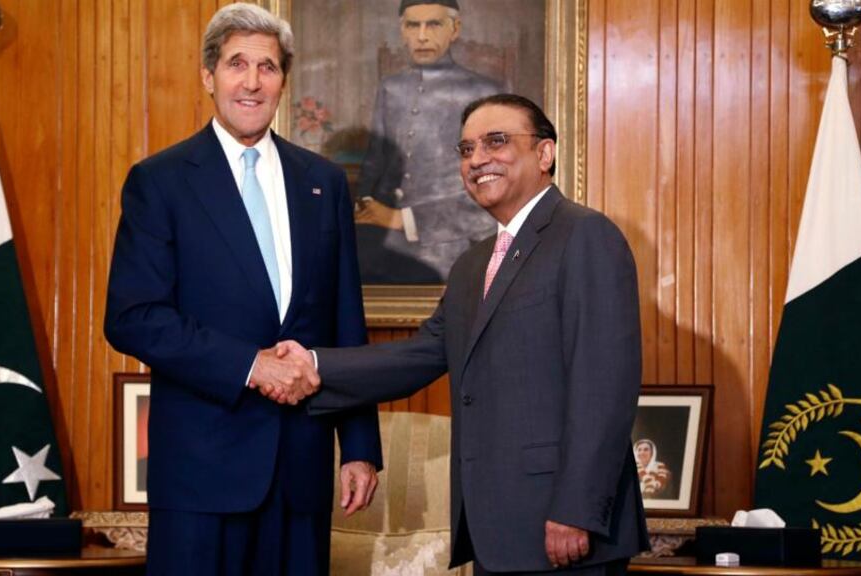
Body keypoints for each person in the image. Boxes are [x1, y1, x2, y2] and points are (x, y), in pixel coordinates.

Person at [277, 94, 649, 574]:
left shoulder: (585, 236)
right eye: (466, 149)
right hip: (496, 529)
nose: (477, 159)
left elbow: (604, 388)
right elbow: (422, 354)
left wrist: (576, 510)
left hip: (564, 527)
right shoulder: (475, 263)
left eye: (496, 142)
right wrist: (313, 364)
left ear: (545, 154)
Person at [103, 4, 382, 574]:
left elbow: (344, 320)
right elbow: (133, 316)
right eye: (237, 64)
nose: (252, 81)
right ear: (209, 76)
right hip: (202, 473)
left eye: (268, 67)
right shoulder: (160, 181)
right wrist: (250, 366)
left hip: (301, 471)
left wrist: (359, 446)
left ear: (283, 79)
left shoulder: (323, 182)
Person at [354, 0, 502, 283]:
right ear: (402, 30)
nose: (422, 35)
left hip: (450, 249)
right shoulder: (391, 88)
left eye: (433, 24)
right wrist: (363, 213)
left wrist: (402, 219)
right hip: (384, 250)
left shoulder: (484, 92)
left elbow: (490, 184)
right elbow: (375, 163)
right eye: (413, 25)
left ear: (454, 29)